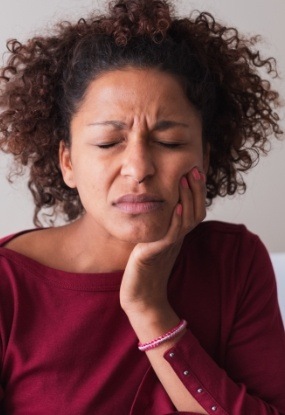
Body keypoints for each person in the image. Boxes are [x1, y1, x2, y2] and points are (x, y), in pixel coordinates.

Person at [0, 0, 284, 413]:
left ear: (204, 156)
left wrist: (150, 308)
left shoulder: (234, 262)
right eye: (107, 142)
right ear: (67, 161)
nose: (138, 168)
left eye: (169, 142)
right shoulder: (9, 285)